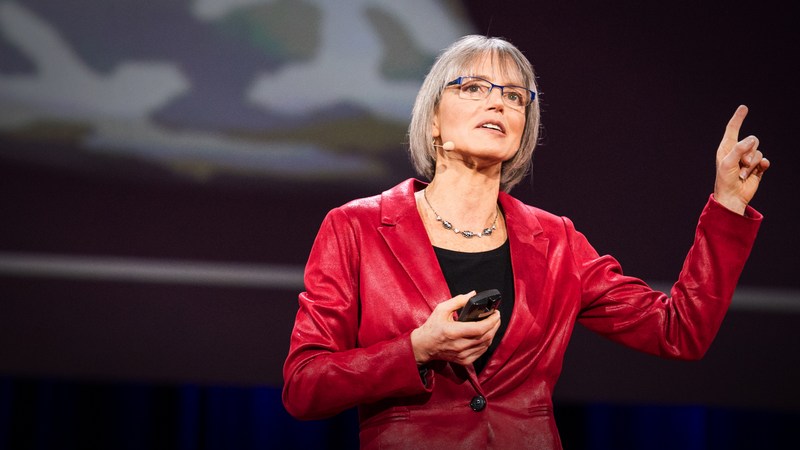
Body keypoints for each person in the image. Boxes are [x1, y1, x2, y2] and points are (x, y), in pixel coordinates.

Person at [282, 35, 769, 449]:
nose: (498, 103)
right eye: (474, 87)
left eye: (515, 96)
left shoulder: (556, 241)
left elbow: (678, 330)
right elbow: (305, 386)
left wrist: (726, 206)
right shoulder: (357, 227)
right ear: (433, 120)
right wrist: (416, 349)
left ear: (523, 129)